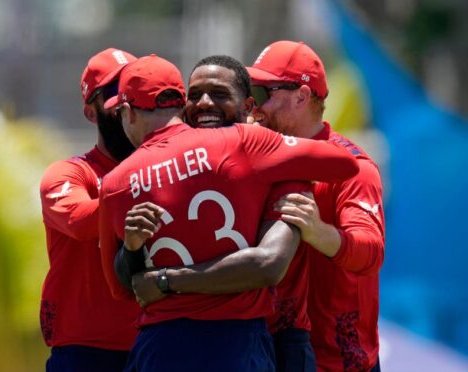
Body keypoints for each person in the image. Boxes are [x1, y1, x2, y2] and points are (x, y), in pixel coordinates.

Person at [98, 54, 360, 372]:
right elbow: (344, 163)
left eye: (219, 94)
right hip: (237, 341)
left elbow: (125, 288)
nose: (205, 103)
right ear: (181, 105)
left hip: (166, 344)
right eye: (195, 96)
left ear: (127, 112)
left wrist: (166, 279)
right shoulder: (250, 143)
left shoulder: (115, 182)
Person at [247, 40, 385, 372]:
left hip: (339, 361)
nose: (254, 106)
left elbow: (370, 252)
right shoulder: (257, 157)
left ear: (302, 96)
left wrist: (317, 231)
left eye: (263, 92)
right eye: (249, 92)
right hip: (274, 353)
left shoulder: (353, 167)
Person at [39, 48, 139, 372]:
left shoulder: (168, 168)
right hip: (83, 354)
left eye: (133, 87)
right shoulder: (69, 173)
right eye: (111, 92)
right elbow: (81, 220)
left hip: (153, 346)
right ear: (90, 112)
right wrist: (154, 189)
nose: (124, 101)